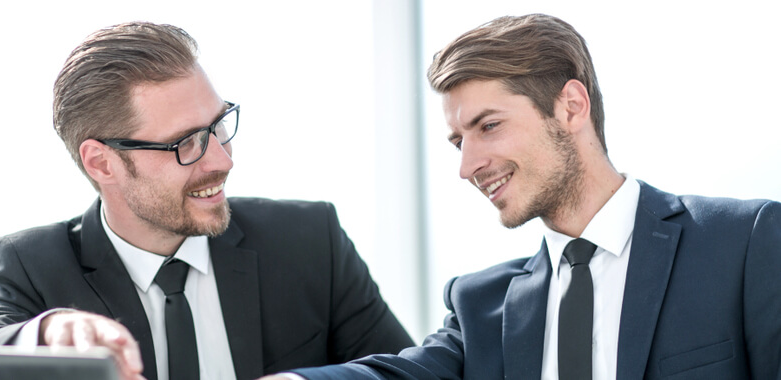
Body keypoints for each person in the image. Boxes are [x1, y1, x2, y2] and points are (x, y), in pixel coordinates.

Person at [263, 13, 781, 380]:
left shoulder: (745, 244)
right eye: (458, 141)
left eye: (488, 125)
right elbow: (402, 374)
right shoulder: (482, 305)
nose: (467, 166)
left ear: (571, 107)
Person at [0, 22, 414, 380]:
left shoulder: (309, 240)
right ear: (102, 164)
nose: (221, 160)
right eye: (185, 142)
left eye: (218, 125)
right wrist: (47, 331)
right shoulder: (35, 263)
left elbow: (409, 372)